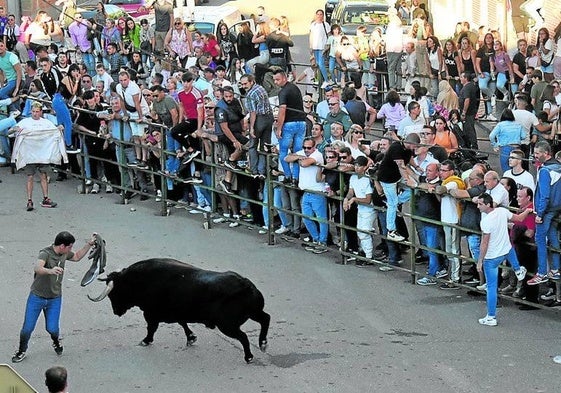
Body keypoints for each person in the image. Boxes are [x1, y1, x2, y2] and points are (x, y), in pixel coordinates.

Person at [12, 231, 97, 363]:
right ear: (62, 246)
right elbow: (37, 268)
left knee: (52, 328)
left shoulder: (64, 254)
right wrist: (50, 271)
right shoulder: (45, 253)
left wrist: (89, 244)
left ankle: (56, 341)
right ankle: (21, 350)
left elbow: (76, 257)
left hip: (54, 298)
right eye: (70, 247)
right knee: (27, 328)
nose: (71, 249)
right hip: (37, 297)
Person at [476, 193, 529, 326]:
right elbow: (519, 218)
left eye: (480, 204)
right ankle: (517, 269)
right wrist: (528, 210)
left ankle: (491, 316)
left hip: (491, 258)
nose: (478, 206)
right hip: (505, 251)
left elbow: (484, 243)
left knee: (491, 287)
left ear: (488, 204)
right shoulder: (502, 211)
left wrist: (480, 261)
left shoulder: (486, 221)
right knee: (509, 247)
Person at [10, 102, 67, 211]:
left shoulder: (46, 123)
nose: (35, 114)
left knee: (43, 176)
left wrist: (59, 128)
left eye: (37, 111)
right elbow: (11, 130)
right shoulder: (25, 122)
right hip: (29, 154)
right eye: (33, 111)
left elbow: (55, 129)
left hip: (43, 154)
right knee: (30, 176)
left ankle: (46, 198)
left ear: (41, 112)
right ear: (31, 111)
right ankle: (29, 200)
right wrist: (15, 129)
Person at [284, 137, 328, 254]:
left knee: (321, 219)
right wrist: (299, 156)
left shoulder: (318, 155)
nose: (306, 150)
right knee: (306, 218)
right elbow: (286, 158)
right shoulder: (302, 153)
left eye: (309, 148)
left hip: (317, 192)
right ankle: (316, 239)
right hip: (306, 192)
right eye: (304, 148)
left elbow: (304, 164)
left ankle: (322, 243)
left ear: (314, 147)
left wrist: (299, 159)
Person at [527, 141, 561, 285]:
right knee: (553, 236)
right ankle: (556, 269)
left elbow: (544, 195)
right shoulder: (558, 167)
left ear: (546, 153)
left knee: (539, 239)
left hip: (546, 210)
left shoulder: (545, 171)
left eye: (537, 153)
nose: (535, 156)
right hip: (557, 209)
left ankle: (542, 272)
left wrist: (539, 213)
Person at [273, 69, 306, 186]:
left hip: (289, 124)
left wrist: (279, 128)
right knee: (297, 152)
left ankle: (287, 175)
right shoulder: (295, 88)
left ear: (284, 78)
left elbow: (282, 110)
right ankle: (296, 178)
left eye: (277, 79)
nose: (276, 82)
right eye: (274, 80)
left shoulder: (283, 92)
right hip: (302, 122)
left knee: (283, 151)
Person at [241, 73, 273, 178]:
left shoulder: (250, 95)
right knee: (264, 145)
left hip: (259, 119)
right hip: (269, 118)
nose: (244, 86)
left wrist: (251, 128)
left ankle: (254, 170)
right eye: (242, 84)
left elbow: (253, 113)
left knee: (253, 145)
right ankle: (262, 171)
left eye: (245, 83)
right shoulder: (260, 88)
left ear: (251, 82)